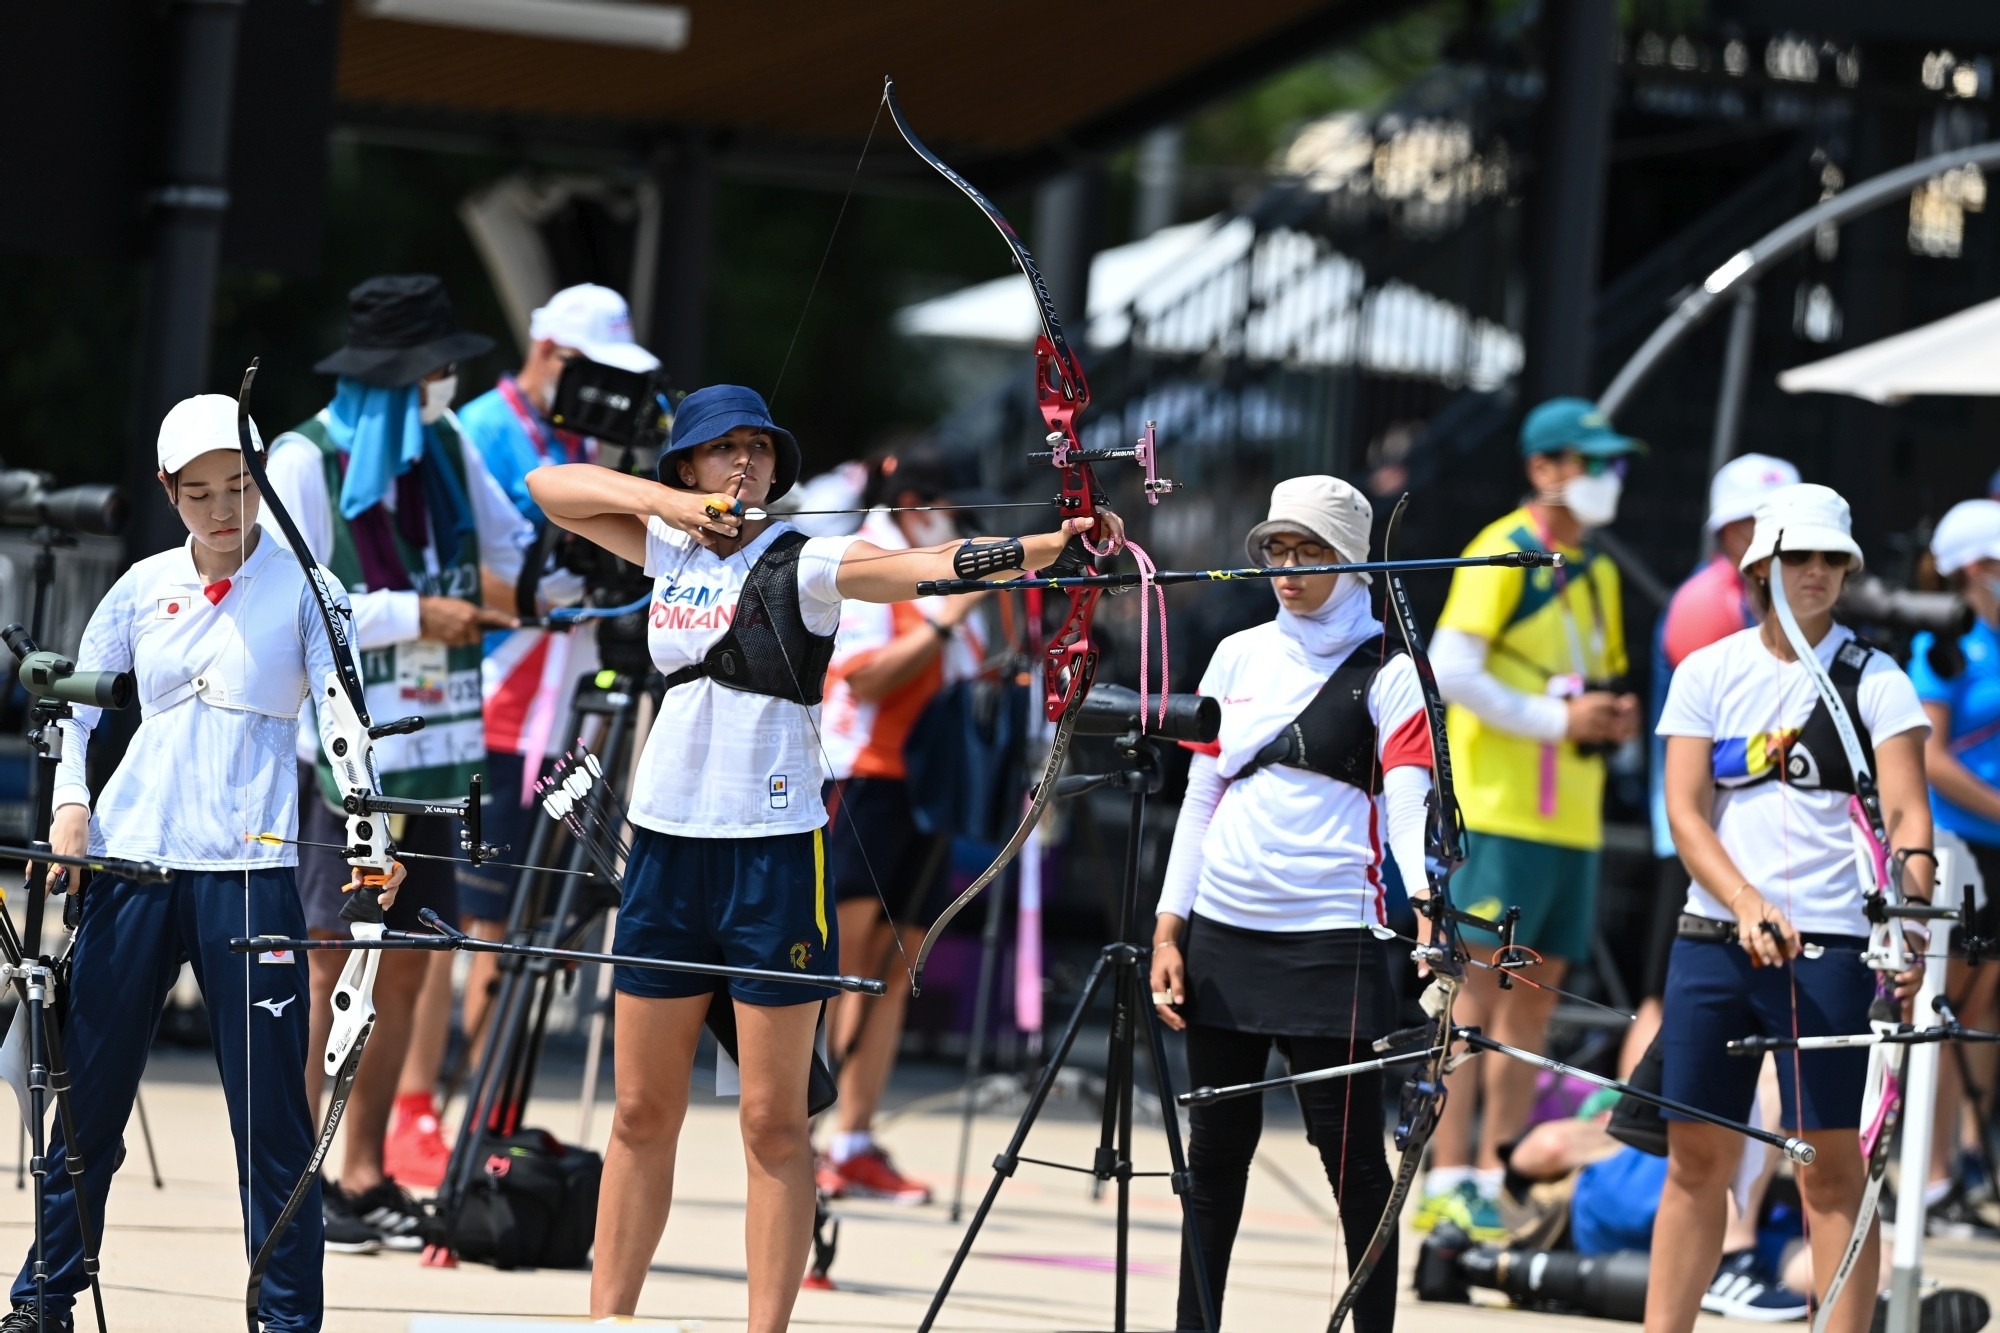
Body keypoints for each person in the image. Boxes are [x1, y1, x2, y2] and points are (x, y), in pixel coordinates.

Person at [525, 383, 1122, 1330]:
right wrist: (673, 506)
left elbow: (928, 565)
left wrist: (1052, 546)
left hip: (771, 857)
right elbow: (549, 487)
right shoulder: (664, 544)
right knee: (640, 1111)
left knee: (772, 1119)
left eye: (760, 448)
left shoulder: (807, 559)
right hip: (666, 851)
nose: (746, 462)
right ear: (689, 464)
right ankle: (610, 1322)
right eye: (725, 447)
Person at [2, 395, 407, 1333]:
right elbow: (75, 710)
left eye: (240, 486)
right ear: (167, 490)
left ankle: (286, 1320)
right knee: (86, 1104)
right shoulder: (142, 585)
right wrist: (71, 807)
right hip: (133, 867)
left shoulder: (310, 587)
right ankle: (42, 1300)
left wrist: (370, 835)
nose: (224, 510)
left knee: (271, 1125)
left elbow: (344, 724)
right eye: (199, 493)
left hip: (250, 878)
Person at [263, 274, 531, 1248]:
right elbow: (290, 597)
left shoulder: (448, 445)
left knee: (409, 968)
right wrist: (417, 612)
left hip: (441, 749)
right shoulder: (304, 456)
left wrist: (558, 574)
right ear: (391, 374)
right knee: (332, 967)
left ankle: (365, 1170)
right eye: (432, 368)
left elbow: (513, 551)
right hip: (346, 754)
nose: (444, 383)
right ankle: (293, 1182)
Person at [1148, 475, 1434, 1333]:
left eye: (1311, 552)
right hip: (1223, 934)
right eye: (1277, 549)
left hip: (1332, 942)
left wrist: (1426, 903)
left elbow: (1410, 807)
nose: (1289, 569)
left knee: (1355, 1169)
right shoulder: (1237, 654)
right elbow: (1200, 795)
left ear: (1354, 562)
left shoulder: (1393, 671)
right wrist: (1169, 926)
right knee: (1213, 1160)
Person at [388, 283, 658, 1187]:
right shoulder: (482, 430)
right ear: (550, 352)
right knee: (464, 914)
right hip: (489, 703)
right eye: (593, 371)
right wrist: (550, 595)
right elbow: (463, 564)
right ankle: (418, 1106)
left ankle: (491, 1114)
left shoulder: (585, 438)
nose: (604, 393)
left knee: (533, 919)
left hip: (568, 706)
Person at [1650, 483, 1930, 1333]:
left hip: (1834, 948)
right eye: (1795, 557)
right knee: (1695, 1161)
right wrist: (1744, 900)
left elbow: (1908, 815)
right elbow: (1685, 811)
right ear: (1757, 569)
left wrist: (1911, 920)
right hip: (1714, 936)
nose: (1814, 572)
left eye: (1831, 559)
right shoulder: (1708, 670)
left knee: (1830, 1168)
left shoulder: (1877, 677)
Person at [1423, 397, 1642, 1237]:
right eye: (1592, 462)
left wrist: (1608, 718)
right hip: (1497, 810)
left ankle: (1500, 1170)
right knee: (1472, 999)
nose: (1608, 477)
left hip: (1568, 819)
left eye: (1611, 462)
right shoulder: (1502, 546)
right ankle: (1448, 1173)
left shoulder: (1597, 566)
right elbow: (1451, 668)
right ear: (1543, 468)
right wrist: (1559, 719)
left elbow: (1590, 677)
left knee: (1532, 1006)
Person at [814, 453, 988, 1205]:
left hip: (926, 786)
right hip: (863, 781)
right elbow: (865, 676)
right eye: (951, 511)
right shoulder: (873, 556)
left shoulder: (939, 565)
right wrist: (948, 619)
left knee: (896, 966)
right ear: (915, 505)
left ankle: (854, 1139)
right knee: (848, 963)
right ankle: (804, 1133)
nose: (959, 526)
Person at [1634, 455, 1801, 1073]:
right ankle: (1633, 1132)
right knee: (1664, 998)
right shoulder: (1707, 601)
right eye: (1767, 525)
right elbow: (1720, 739)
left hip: (1726, 827)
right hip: (1691, 830)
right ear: (1732, 532)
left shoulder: (1754, 599)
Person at [1905, 498, 2000, 1235]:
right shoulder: (1940, 644)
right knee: (1944, 1008)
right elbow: (1928, 756)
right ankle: (1926, 1178)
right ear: (1974, 567)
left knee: (1979, 1009)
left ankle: (1961, 1167)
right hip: (1957, 845)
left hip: (1994, 845)